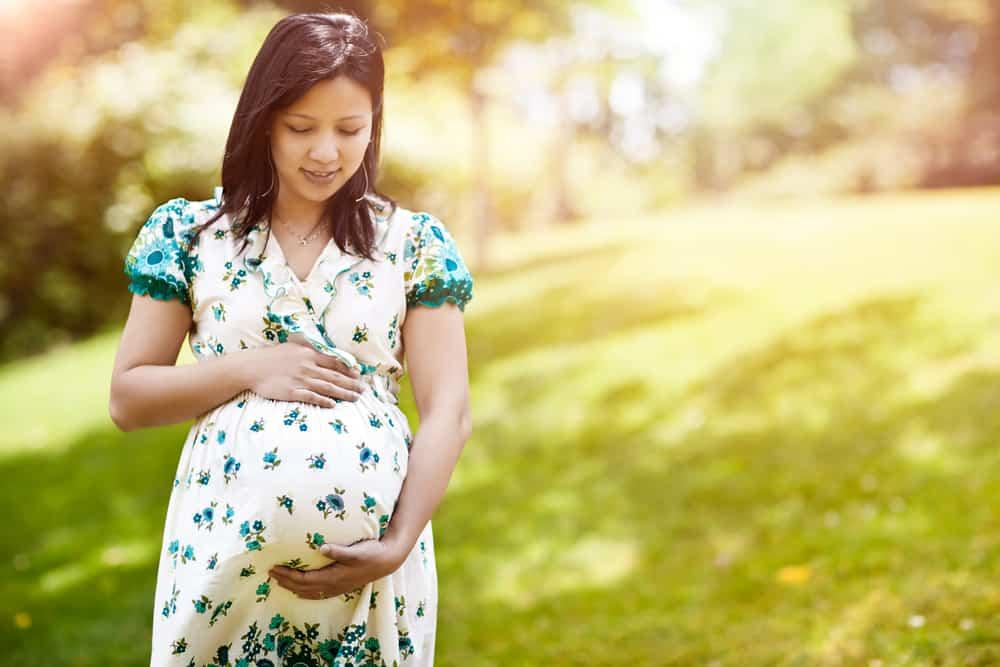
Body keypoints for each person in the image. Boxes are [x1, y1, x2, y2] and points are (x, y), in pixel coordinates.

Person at [109, 12, 473, 667]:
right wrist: (251, 367)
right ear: (263, 121)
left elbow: (450, 408)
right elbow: (129, 397)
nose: (326, 151)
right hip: (224, 574)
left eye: (350, 129)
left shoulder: (412, 244)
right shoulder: (191, 237)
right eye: (301, 128)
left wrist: (397, 540)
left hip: (373, 582)